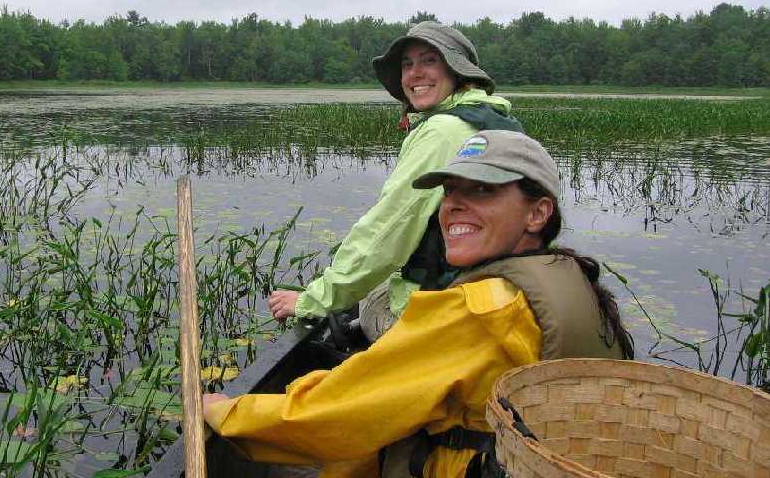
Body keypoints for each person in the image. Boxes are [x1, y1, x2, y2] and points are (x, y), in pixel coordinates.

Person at [205, 130, 634, 478]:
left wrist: (228, 413)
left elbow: (338, 412)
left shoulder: (483, 309)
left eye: (483, 189)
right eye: (450, 191)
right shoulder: (566, 272)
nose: (452, 206)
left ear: (537, 214)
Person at [268, 21, 523, 334]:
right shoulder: (494, 119)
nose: (414, 74)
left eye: (429, 60)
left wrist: (313, 299)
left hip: (447, 310)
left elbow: (389, 229)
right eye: (407, 64)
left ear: (458, 72)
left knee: (372, 298)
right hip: (490, 295)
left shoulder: (443, 132)